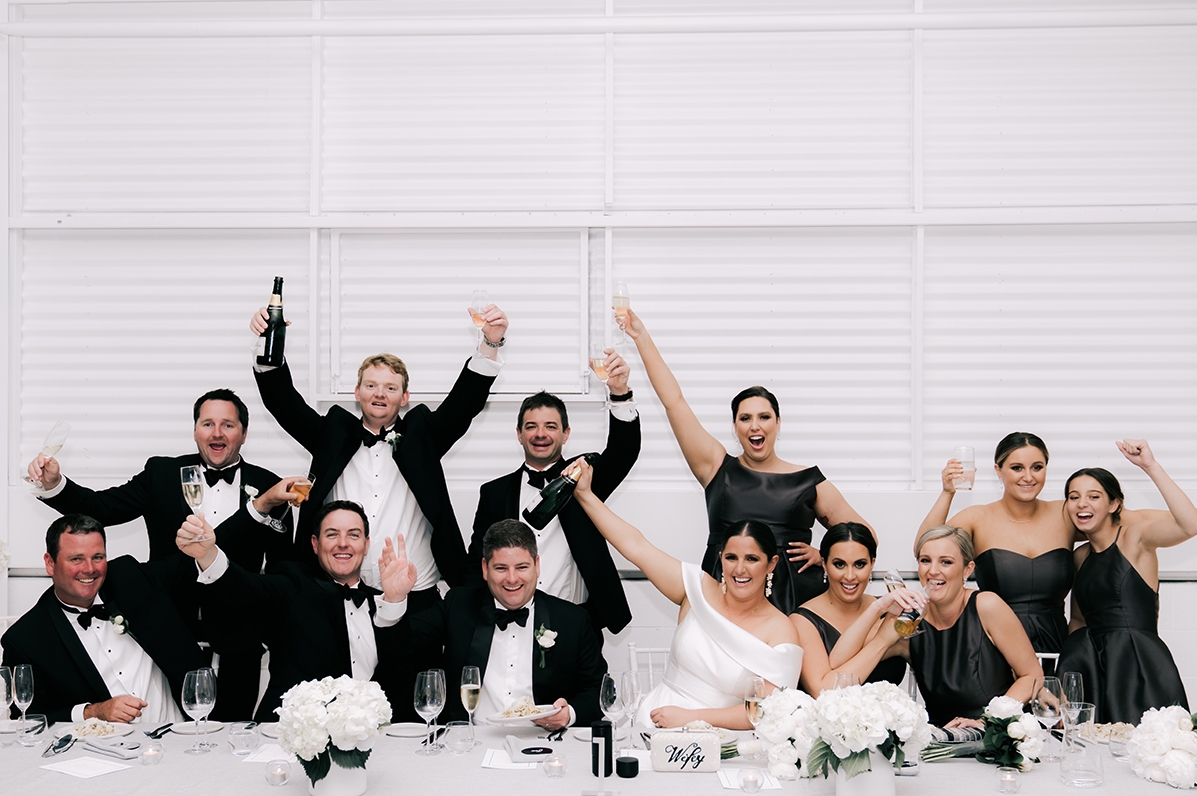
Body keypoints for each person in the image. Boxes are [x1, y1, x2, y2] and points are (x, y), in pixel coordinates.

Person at [26, 388, 292, 719]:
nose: (217, 433)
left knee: (234, 733)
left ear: (244, 433)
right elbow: (101, 508)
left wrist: (269, 633)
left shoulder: (270, 488)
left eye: (228, 424)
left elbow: (283, 573)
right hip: (168, 631)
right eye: (207, 424)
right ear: (195, 431)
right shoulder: (161, 474)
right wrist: (55, 484)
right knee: (168, 732)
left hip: (240, 641)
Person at [614, 308, 872, 614]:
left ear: (778, 423)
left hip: (792, 599)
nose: (755, 426)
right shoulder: (715, 467)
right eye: (745, 418)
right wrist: (642, 338)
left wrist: (826, 556)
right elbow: (674, 402)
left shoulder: (809, 480)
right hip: (724, 593)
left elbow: (865, 537)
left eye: (764, 417)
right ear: (735, 427)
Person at [249, 304, 508, 608]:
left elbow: (464, 403)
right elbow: (284, 404)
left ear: (405, 397)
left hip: (416, 595)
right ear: (357, 392)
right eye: (371, 385)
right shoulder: (331, 435)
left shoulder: (423, 437)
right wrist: (269, 340)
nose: (380, 394)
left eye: (390, 387)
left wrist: (490, 343)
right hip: (336, 593)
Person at [571, 458, 801, 729]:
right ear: (721, 558)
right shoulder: (694, 588)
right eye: (731, 557)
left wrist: (692, 717)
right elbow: (636, 546)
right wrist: (585, 495)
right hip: (653, 723)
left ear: (771, 564)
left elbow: (769, 711)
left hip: (721, 738)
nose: (740, 569)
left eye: (752, 559)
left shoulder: (781, 630)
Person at [176, 499, 413, 722]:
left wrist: (394, 601)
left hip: (368, 736)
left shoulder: (384, 601)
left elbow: (399, 675)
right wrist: (208, 555)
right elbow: (245, 588)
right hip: (289, 736)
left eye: (354, 535)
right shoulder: (294, 583)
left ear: (366, 544)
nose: (343, 543)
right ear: (315, 544)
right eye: (332, 534)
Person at [469, 348, 640, 641]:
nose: (540, 434)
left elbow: (624, 451)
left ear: (566, 433)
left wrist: (620, 393)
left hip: (577, 622)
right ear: (519, 434)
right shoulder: (493, 493)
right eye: (531, 427)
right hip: (510, 623)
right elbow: (478, 560)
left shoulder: (583, 479)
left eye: (550, 426)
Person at [396, 520, 608, 731]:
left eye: (522, 567)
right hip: (472, 738)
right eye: (501, 568)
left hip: (542, 739)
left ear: (537, 566)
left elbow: (598, 689)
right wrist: (394, 599)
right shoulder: (457, 606)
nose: (512, 578)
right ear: (485, 569)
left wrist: (568, 714)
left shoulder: (573, 619)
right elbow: (403, 646)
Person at [1, 515, 206, 724]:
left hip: (180, 733)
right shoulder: (26, 639)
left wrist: (206, 549)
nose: (89, 569)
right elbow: (26, 720)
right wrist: (92, 712)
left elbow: (191, 568)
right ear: (50, 563)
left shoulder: (131, 579)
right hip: (99, 743)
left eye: (97, 557)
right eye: (76, 559)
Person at [833, 525, 1042, 728]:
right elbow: (838, 661)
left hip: (998, 735)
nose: (933, 571)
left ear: (967, 569)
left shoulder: (987, 606)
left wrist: (988, 722)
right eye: (925, 561)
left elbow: (1032, 675)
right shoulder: (909, 621)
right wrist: (877, 607)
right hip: (940, 741)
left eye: (946, 562)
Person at [1059, 440, 1195, 724]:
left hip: (1139, 666)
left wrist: (1150, 466)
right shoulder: (1079, 557)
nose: (1082, 503)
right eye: (1073, 496)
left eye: (1094, 496)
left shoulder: (1135, 538)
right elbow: (1078, 621)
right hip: (1093, 670)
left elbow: (1190, 524)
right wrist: (1068, 680)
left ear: (1114, 504)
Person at [918, 432, 1075, 660]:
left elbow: (1118, 524)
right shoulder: (977, 518)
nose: (1028, 477)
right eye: (1017, 468)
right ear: (998, 470)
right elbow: (924, 546)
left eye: (1037, 467)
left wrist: (1139, 464)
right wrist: (947, 492)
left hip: (1056, 647)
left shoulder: (1065, 514)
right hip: (993, 647)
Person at [790, 522, 908, 695]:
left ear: (872, 563)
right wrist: (882, 641)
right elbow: (822, 691)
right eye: (839, 564)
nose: (850, 576)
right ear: (824, 564)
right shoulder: (802, 621)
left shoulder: (891, 612)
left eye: (859, 564)